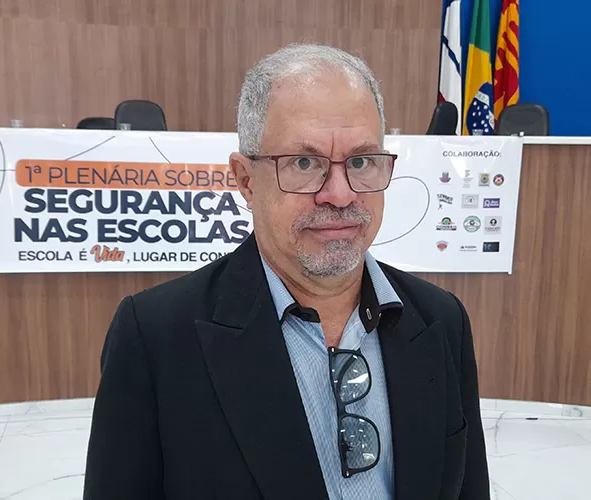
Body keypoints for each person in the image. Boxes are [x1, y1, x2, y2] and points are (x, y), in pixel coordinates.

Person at [83, 43, 490, 500]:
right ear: (245, 179)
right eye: (304, 163)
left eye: (360, 161)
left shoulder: (441, 320)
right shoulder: (155, 337)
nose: (340, 194)